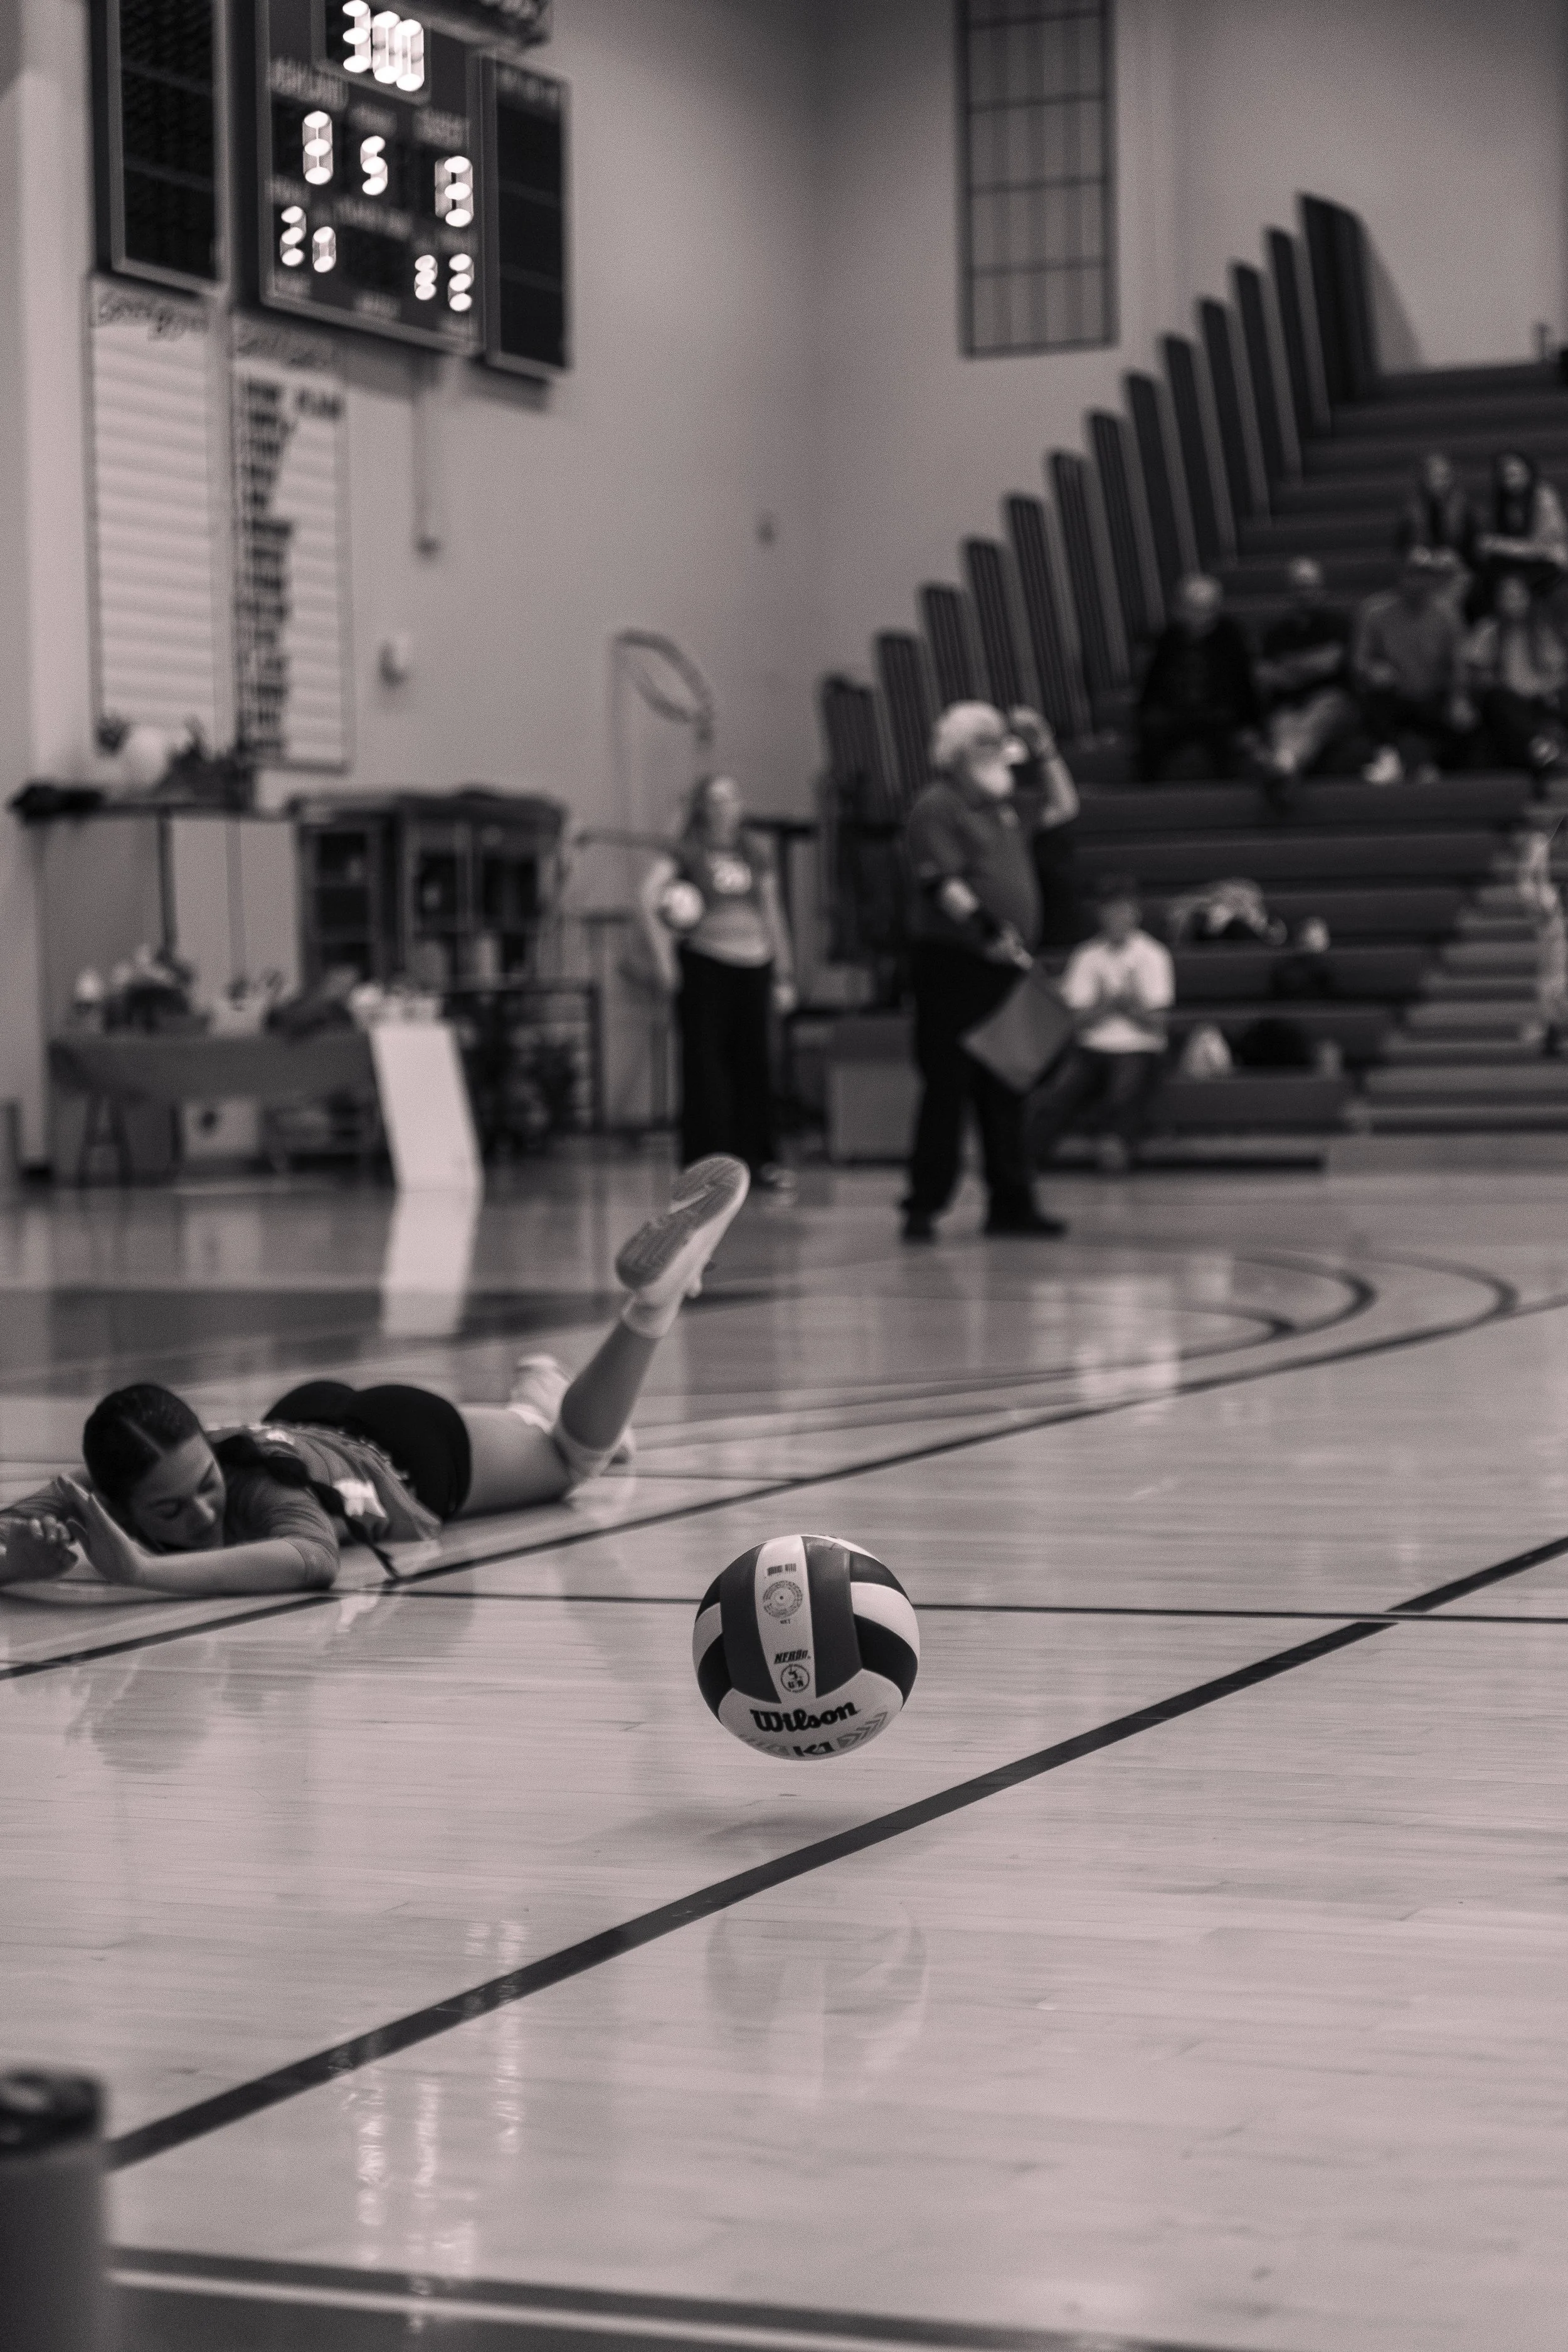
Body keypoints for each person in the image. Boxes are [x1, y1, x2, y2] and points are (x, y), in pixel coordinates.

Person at [0, 1157, 750, 1597]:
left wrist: (143, 1568)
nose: (201, 1513)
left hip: (401, 1447)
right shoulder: (96, 1494)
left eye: (204, 1484)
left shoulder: (257, 1492)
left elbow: (315, 1561)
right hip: (307, 1417)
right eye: (169, 1513)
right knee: (555, 1434)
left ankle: (650, 1308)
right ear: (119, 1498)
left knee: (571, 1460)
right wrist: (16, 1558)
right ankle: (536, 1389)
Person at [902, 702, 1066, 1244]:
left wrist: (1043, 749)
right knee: (947, 1085)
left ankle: (1012, 1202)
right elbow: (940, 883)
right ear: (956, 754)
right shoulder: (938, 806)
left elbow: (1065, 805)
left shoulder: (1006, 808)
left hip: (1003, 966)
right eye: (986, 743)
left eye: (1001, 742)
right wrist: (987, 930)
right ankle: (924, 1204)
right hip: (955, 962)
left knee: (1006, 1086)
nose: (998, 753)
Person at [638, 775, 797, 1187]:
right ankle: (706, 1165)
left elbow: (772, 910)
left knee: (755, 1064)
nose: (727, 807)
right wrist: (665, 962)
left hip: (754, 963)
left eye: (732, 798)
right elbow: (648, 897)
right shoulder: (688, 850)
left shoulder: (753, 850)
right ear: (702, 807)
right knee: (706, 1067)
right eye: (717, 800)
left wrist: (784, 972)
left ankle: (758, 1160)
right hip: (706, 964)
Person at [1024, 876, 1173, 1175]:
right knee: (1058, 1096)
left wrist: (1123, 1005)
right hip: (1091, 1048)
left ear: (1136, 913)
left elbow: (1158, 1023)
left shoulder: (1154, 955)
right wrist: (1111, 1004)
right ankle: (1022, 1161)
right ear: (1100, 914)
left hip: (1138, 1048)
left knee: (1124, 1094)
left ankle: (1115, 1144)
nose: (1116, 918)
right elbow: (1074, 1021)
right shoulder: (1086, 956)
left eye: (1122, 910)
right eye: (1110, 910)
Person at [1352, 547, 1473, 783]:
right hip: (1393, 697)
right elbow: (1359, 661)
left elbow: (1461, 663)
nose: (1419, 582)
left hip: (1432, 696)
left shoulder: (1448, 615)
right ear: (1401, 575)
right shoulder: (1374, 611)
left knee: (1464, 720)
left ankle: (1423, 762)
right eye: (1413, 574)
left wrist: (1460, 697)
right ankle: (1392, 757)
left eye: (1425, 575)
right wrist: (1372, 670)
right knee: (1375, 701)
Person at [1136, 574, 1263, 783]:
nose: (1192, 615)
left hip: (1219, 713)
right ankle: (1148, 792)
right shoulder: (1169, 639)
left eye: (1200, 609)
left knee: (1224, 737)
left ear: (1213, 609)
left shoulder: (1230, 637)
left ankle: (1226, 791)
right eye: (1188, 607)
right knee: (1152, 730)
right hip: (1177, 712)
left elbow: (1244, 685)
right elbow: (1153, 682)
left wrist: (1250, 725)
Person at [1256, 558, 1357, 797]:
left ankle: (1281, 762)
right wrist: (1310, 665)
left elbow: (1329, 663)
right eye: (1299, 586)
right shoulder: (1276, 631)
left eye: (1310, 586)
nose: (1305, 592)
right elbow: (1267, 676)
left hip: (1333, 701)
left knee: (1317, 715)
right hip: (1288, 705)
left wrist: (1290, 665)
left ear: (1321, 588)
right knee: (1283, 723)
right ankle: (1286, 768)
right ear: (1289, 590)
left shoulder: (1338, 623)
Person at [1458, 571, 1568, 789]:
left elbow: (1560, 671)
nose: (1514, 601)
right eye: (1508, 596)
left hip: (1540, 702)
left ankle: (1542, 747)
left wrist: (1546, 688)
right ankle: (1540, 746)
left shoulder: (1543, 629)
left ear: (1528, 598)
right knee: (1498, 700)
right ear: (1498, 600)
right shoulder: (1487, 630)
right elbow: (1473, 673)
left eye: (1519, 595)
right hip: (1508, 707)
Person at [1008, 704, 1084, 948]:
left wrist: (1045, 750)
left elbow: (1066, 807)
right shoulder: (968, 813)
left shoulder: (1024, 810)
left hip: (1043, 923)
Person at [1467, 450, 1568, 618]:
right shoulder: (1503, 503)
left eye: (1514, 474)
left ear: (1528, 472)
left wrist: (1499, 545)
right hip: (1518, 565)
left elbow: (1544, 549)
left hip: (1548, 566)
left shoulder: (1543, 497)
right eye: (1505, 474)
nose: (1509, 479)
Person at [1517, 820, 1568, 1055]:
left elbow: (1531, 880)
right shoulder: (1540, 847)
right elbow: (1530, 880)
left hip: (1552, 927)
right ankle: (1550, 1032)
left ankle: (1551, 1031)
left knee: (1552, 984)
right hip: (1550, 927)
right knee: (1551, 984)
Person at [1395, 451, 1477, 571]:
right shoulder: (1411, 508)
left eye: (1445, 476)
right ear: (1424, 478)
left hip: (1456, 572)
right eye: (1435, 476)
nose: (1442, 482)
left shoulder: (1463, 506)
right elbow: (1401, 546)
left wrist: (1456, 556)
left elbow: (1474, 545)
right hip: (1420, 573)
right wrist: (1416, 554)